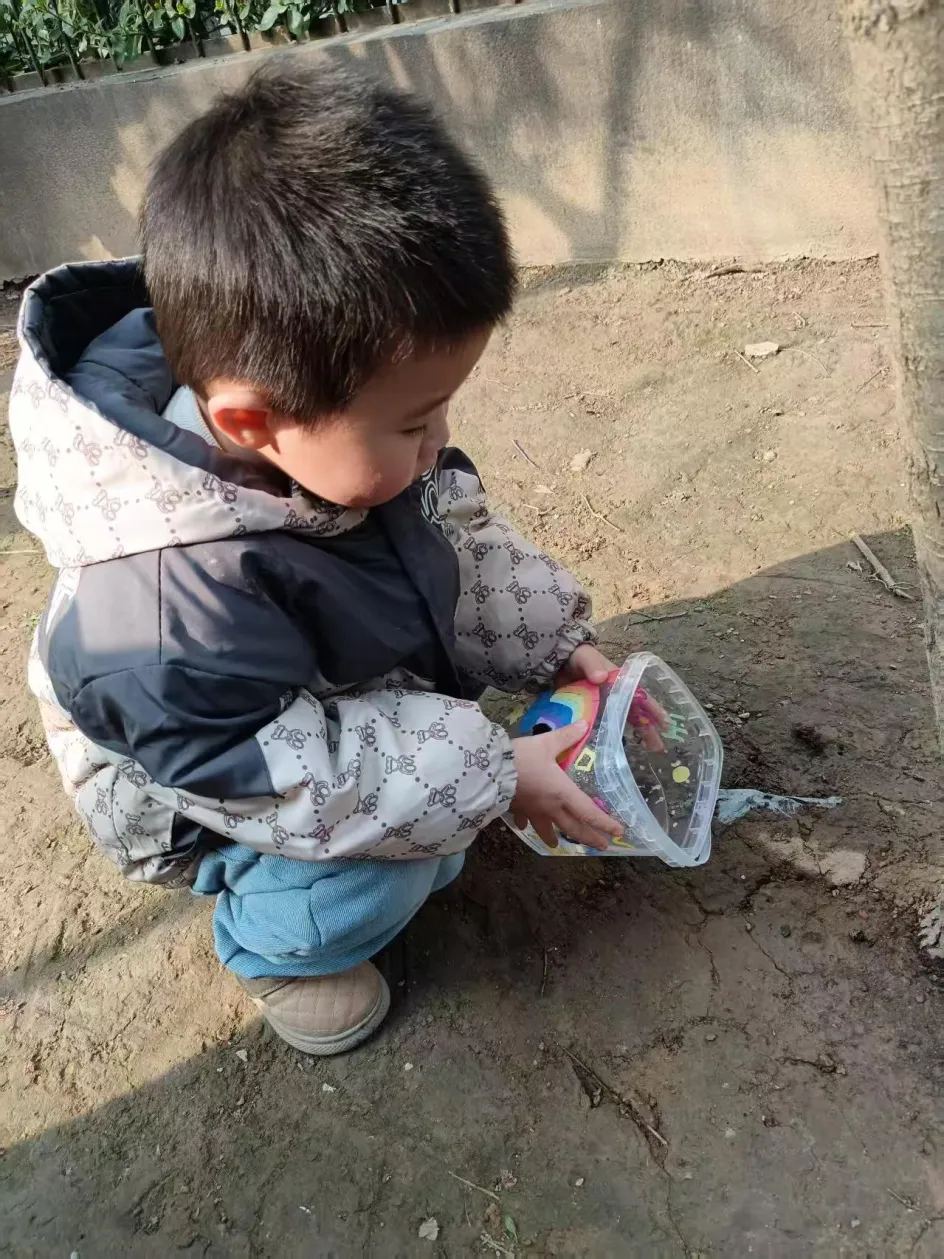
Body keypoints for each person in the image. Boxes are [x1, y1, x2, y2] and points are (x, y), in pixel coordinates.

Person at [10, 59, 623, 1057]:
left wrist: (556, 643)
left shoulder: (320, 425)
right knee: (402, 864)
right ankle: (273, 945)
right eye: (415, 421)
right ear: (252, 422)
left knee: (438, 802)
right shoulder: (158, 615)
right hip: (206, 786)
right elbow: (283, 777)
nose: (437, 442)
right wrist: (487, 772)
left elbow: (452, 539)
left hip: (289, 696)